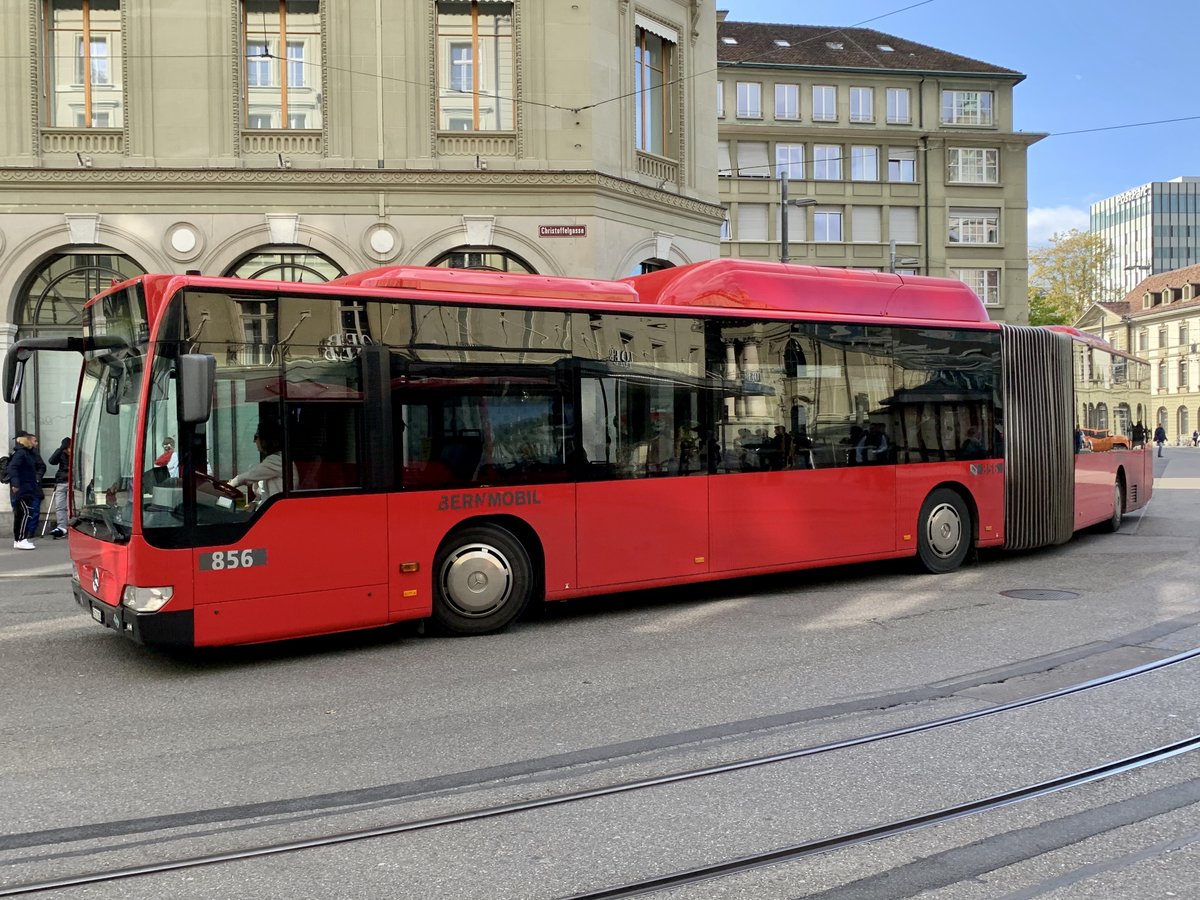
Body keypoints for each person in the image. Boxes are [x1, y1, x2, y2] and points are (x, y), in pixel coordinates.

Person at [228, 425, 292, 509]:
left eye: (256, 437)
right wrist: (256, 504)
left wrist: (230, 485)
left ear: (266, 440)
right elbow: (266, 495)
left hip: (280, 510)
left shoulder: (277, 460)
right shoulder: (274, 461)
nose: (254, 441)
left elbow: (248, 476)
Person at [8, 433, 39, 550]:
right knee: (26, 512)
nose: (36, 443)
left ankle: (18, 539)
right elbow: (12, 467)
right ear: (28, 441)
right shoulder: (22, 453)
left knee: (21, 513)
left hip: (26, 486)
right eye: (34, 440)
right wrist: (15, 483)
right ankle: (21, 539)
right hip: (23, 488)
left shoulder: (26, 453)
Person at [47, 436, 71, 539]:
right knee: (60, 506)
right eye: (66, 449)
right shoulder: (61, 453)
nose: (68, 451)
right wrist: (60, 450)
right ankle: (62, 527)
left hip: (72, 482)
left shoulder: (77, 453)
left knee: (70, 507)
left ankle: (71, 527)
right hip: (61, 481)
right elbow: (52, 461)